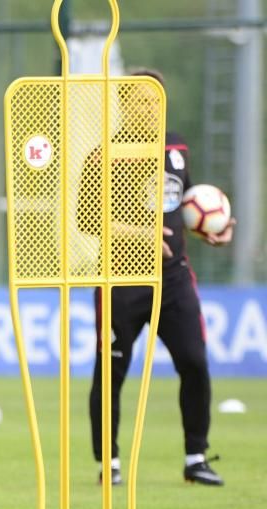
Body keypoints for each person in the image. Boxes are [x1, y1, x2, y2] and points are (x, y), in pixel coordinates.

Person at [83, 68, 235, 487]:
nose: (150, 108)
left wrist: (211, 231)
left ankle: (195, 458)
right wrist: (140, 236)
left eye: (156, 100)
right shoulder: (104, 155)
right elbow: (87, 219)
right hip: (120, 281)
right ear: (123, 104)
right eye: (141, 100)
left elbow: (181, 207)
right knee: (112, 370)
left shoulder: (176, 148)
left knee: (195, 362)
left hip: (172, 279)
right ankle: (109, 463)